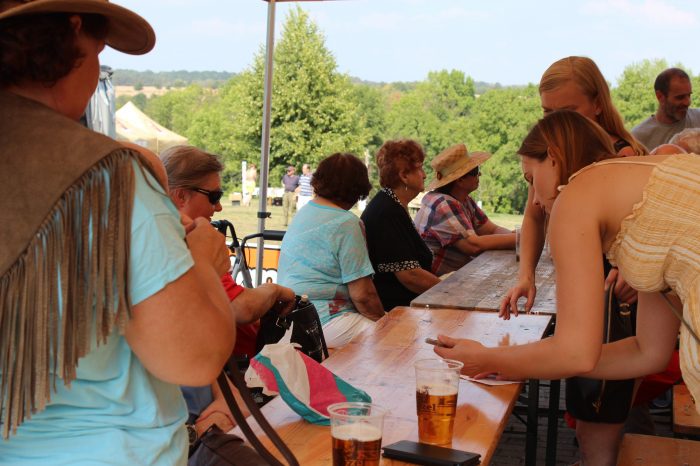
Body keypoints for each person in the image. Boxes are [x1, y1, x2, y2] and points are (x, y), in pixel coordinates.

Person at [0, 2, 235, 464]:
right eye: (99, 47)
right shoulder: (109, 178)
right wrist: (202, 261)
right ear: (72, 32)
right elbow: (192, 357)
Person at [438, 110, 700, 463]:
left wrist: (487, 357)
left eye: (531, 179)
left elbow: (575, 351)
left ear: (554, 157)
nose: (534, 200)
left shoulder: (577, 193)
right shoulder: (645, 193)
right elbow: (646, 352)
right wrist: (514, 362)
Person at [501, 56, 646, 465]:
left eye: (566, 111)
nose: (555, 123)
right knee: (586, 414)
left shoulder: (623, 156)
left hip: (614, 299)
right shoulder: (555, 157)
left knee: (600, 414)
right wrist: (526, 274)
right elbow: (534, 214)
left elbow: (647, 228)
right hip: (588, 295)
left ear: (598, 104)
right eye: (546, 113)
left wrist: (637, 267)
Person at [161, 145, 296, 435]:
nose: (219, 207)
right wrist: (272, 291)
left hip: (209, 396)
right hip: (187, 417)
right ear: (180, 196)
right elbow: (240, 310)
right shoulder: (170, 254)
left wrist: (226, 396)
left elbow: (194, 341)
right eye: (214, 196)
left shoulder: (180, 247)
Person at [278, 153, 385, 348]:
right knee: (395, 339)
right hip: (325, 319)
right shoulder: (346, 222)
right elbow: (363, 296)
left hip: (293, 318)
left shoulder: (306, 211)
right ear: (357, 189)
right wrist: (386, 322)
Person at [361, 139, 441, 310]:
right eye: (420, 168)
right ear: (404, 175)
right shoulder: (387, 212)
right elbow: (410, 276)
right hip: (395, 311)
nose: (424, 175)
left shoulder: (392, 205)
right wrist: (449, 291)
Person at [414, 143, 515, 276]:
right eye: (475, 171)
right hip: (437, 283)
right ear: (460, 180)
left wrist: (516, 237)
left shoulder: (463, 200)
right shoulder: (443, 203)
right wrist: (521, 239)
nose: (480, 173)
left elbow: (491, 229)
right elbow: (473, 246)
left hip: (453, 277)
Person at [632, 68, 700, 151]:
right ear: (660, 96)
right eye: (680, 97)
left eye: (689, 95)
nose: (687, 102)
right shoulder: (639, 138)